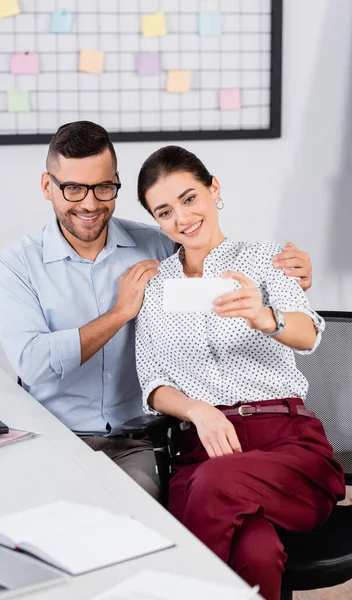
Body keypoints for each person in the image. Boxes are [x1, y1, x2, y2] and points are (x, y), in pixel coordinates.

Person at [0, 120, 313, 501]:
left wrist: (291, 272)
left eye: (103, 187)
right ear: (48, 187)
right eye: (73, 188)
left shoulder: (159, 247)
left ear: (116, 183)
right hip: (55, 435)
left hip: (139, 442)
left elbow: (214, 264)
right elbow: (32, 364)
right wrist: (119, 313)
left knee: (142, 523)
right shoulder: (17, 264)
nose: (90, 203)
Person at [135, 145, 345, 599]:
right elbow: (152, 383)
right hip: (204, 446)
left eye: (190, 198)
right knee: (257, 552)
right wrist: (198, 410)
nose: (183, 218)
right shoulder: (156, 287)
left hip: (289, 446)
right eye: (165, 211)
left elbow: (309, 335)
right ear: (156, 220)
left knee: (214, 485)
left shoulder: (269, 259)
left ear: (214, 189)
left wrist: (266, 318)